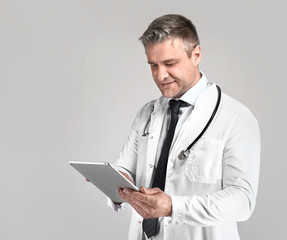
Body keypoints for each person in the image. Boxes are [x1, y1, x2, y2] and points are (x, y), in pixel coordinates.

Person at [109, 14, 260, 240]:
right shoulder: (146, 114)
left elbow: (242, 201)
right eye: (153, 65)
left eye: (170, 63)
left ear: (196, 55)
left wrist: (172, 207)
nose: (161, 75)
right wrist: (114, 183)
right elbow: (125, 169)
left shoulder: (236, 118)